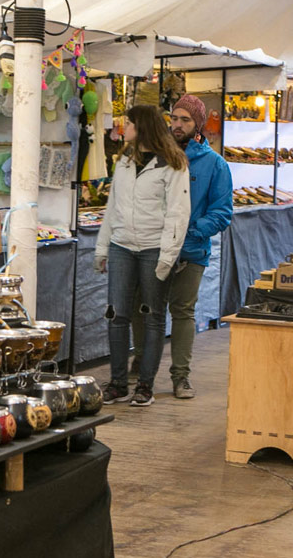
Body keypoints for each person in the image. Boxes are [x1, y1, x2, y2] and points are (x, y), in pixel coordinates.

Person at [130, 95, 233, 399]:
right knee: (143, 308)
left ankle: (181, 377)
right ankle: (143, 365)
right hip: (152, 247)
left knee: (183, 311)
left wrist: (189, 232)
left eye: (185, 120)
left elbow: (222, 211)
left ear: (198, 124)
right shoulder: (155, 156)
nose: (177, 124)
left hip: (191, 251)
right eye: (174, 118)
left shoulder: (215, 164)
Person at [94, 105, 191, 407]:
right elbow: (113, 206)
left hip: (153, 249)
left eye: (129, 123)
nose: (125, 127)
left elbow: (178, 213)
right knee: (117, 315)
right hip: (122, 246)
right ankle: (118, 383)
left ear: (143, 126)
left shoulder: (173, 164)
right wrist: (102, 246)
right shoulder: (123, 160)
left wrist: (167, 256)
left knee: (152, 318)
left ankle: (145, 385)